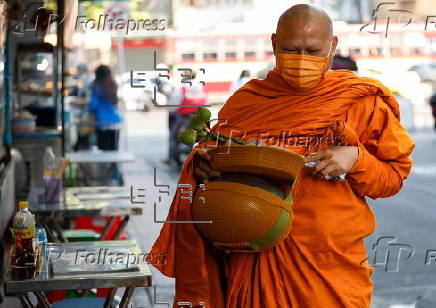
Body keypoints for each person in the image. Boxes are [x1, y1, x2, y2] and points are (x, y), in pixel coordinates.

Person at [150, 4, 414, 308]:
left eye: (313, 51)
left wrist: (357, 158)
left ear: (333, 46)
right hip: (250, 257)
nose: (302, 60)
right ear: (275, 44)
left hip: (327, 268)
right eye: (292, 49)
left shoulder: (360, 101)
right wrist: (206, 167)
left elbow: (392, 179)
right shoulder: (247, 103)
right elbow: (212, 166)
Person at [89, 65, 122, 151]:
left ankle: (107, 165)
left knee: (103, 151)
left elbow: (93, 105)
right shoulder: (113, 84)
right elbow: (115, 102)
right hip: (114, 121)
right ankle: (114, 164)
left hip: (101, 122)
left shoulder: (95, 86)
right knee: (114, 149)